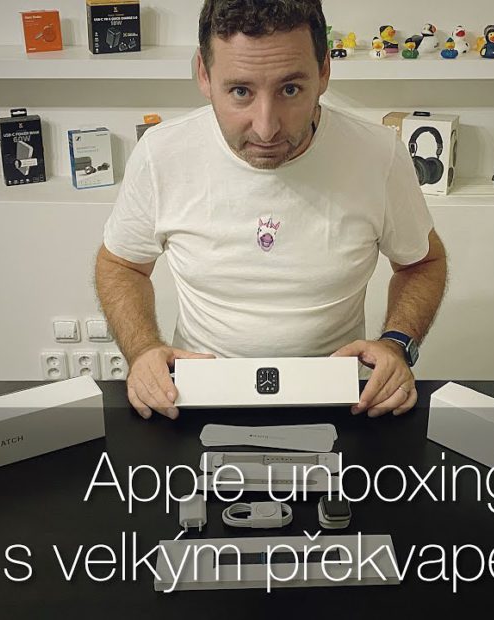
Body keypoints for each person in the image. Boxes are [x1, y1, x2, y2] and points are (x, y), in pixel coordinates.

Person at [95, 0, 447, 420]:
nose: (266, 128)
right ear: (204, 75)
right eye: (240, 91)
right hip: (196, 396)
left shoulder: (378, 154)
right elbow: (121, 265)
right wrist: (142, 350)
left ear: (324, 72)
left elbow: (422, 263)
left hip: (340, 399)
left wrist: (396, 344)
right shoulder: (160, 154)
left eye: (290, 89)